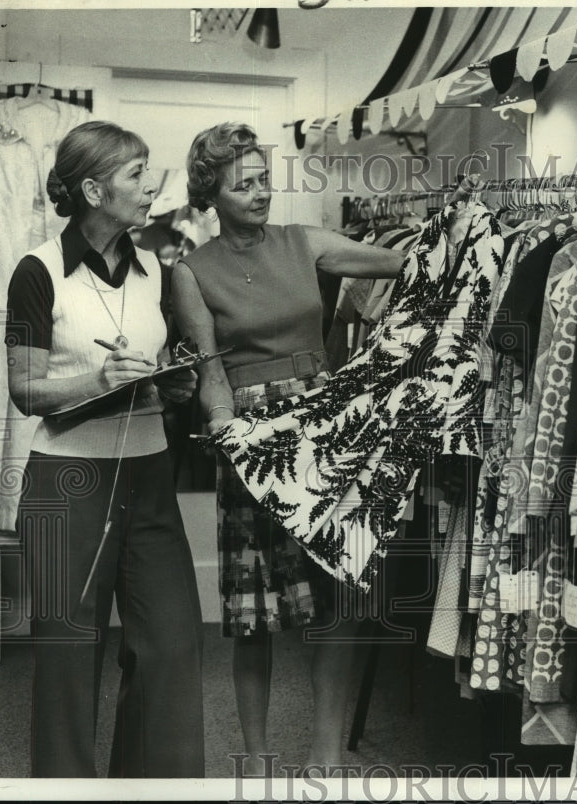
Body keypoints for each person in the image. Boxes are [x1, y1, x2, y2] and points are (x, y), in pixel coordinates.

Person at [171, 122, 402, 772]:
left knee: (340, 592)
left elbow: (395, 261)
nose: (260, 192)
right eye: (243, 184)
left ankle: (326, 750)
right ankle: (257, 757)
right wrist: (228, 436)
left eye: (264, 178)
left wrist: (463, 230)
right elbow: (210, 371)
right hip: (252, 441)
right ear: (210, 193)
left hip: (322, 431)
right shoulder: (191, 273)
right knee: (254, 611)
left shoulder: (304, 243)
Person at [5, 120, 205, 777]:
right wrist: (96, 379)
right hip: (68, 487)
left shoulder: (155, 270)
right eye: (136, 175)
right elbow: (25, 388)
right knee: (68, 662)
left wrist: (176, 384)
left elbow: (159, 365)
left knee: (171, 650)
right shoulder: (37, 271)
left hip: (149, 478)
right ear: (93, 189)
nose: (152, 187)